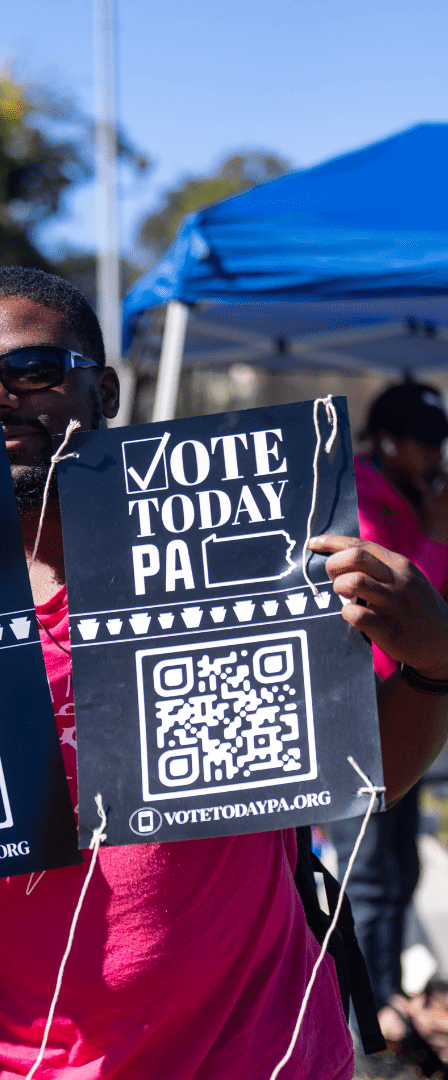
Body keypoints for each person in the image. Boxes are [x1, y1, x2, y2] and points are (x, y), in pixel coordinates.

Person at [0, 266, 448, 1079]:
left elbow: (364, 777)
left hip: (258, 1055)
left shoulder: (234, 560)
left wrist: (436, 664)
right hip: (6, 1060)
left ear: (107, 392)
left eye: (33, 371)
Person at [333, 382, 448, 1056]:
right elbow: (393, 617)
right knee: (367, 875)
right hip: (365, 715)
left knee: (399, 868)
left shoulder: (413, 494)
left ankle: (388, 1010)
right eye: (426, 441)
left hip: (414, 708)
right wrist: (435, 533)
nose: (436, 453)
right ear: (389, 443)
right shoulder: (359, 503)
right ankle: (363, 1030)